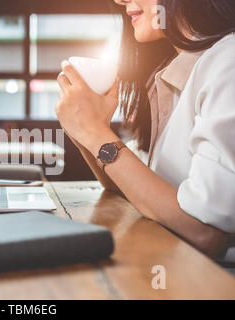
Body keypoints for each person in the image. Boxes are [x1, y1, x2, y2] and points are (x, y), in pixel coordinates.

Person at [56, 0, 235, 258]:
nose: (120, 0)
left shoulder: (226, 61)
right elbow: (133, 190)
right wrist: (84, 129)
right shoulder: (172, 71)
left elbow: (204, 230)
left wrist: (95, 133)